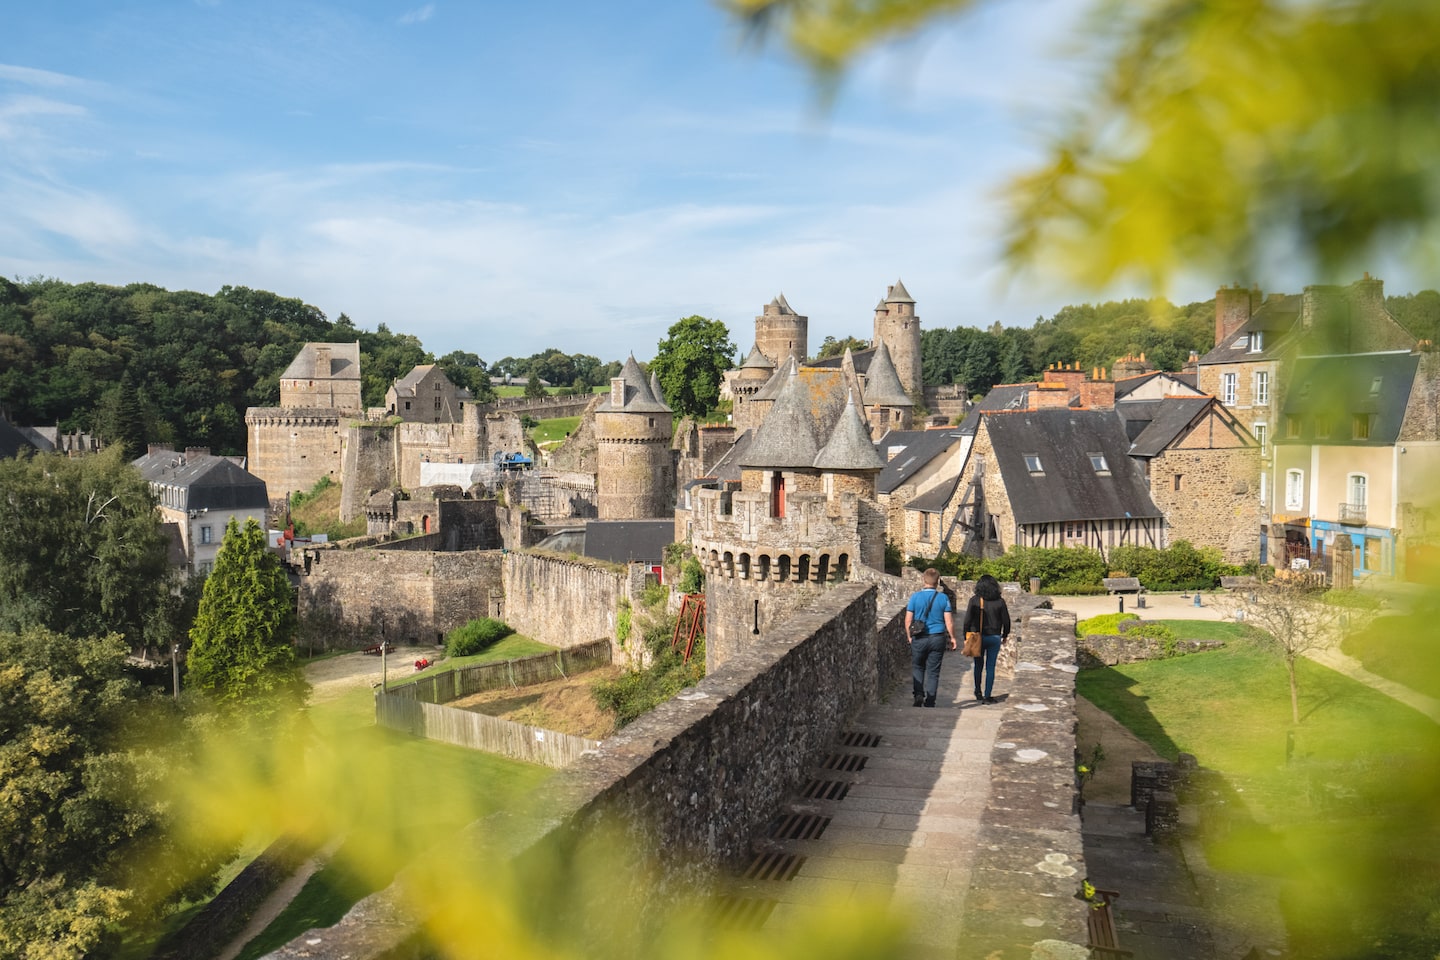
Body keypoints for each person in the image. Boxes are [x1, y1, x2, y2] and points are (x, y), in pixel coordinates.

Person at [905, 568, 956, 708]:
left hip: (919, 637)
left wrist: (910, 636)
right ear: (938, 582)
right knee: (933, 671)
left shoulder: (915, 597)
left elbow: (908, 620)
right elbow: (949, 622)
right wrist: (952, 638)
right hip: (937, 637)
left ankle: (918, 694)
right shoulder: (943, 598)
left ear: (923, 580)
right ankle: (930, 701)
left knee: (918, 667)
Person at [964, 574, 1011, 704]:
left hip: (977, 636)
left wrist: (965, 636)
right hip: (994, 637)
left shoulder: (974, 600)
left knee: (978, 665)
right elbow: (1006, 621)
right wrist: (1005, 635)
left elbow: (967, 621)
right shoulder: (1000, 602)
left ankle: (977, 691)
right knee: (990, 666)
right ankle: (987, 695)